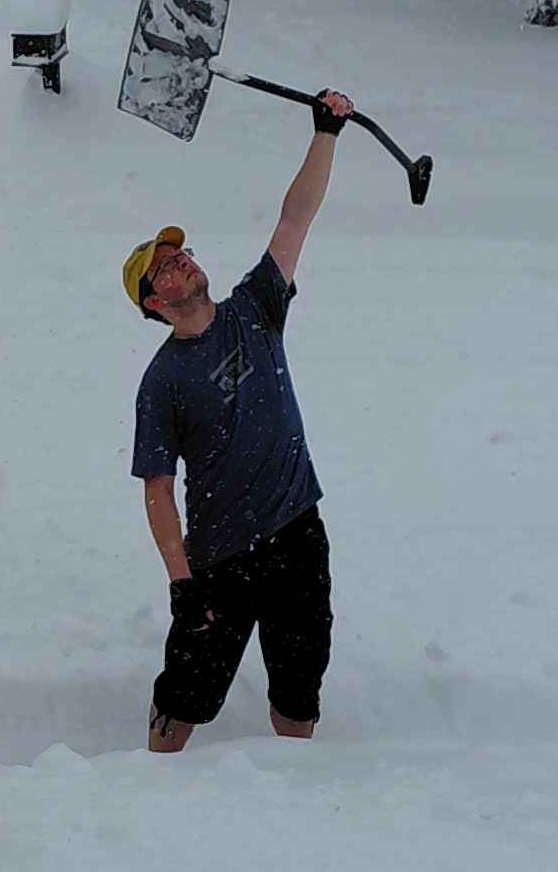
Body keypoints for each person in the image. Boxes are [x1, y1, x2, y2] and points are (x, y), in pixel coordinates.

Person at [121, 88, 355, 753]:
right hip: (221, 557)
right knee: (186, 694)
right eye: (164, 266)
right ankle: (149, 785)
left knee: (298, 681)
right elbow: (158, 490)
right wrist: (181, 583)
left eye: (181, 252)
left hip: (296, 531)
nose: (181, 260)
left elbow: (294, 222)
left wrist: (325, 135)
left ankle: (296, 795)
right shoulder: (162, 381)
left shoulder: (254, 307)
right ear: (151, 300)